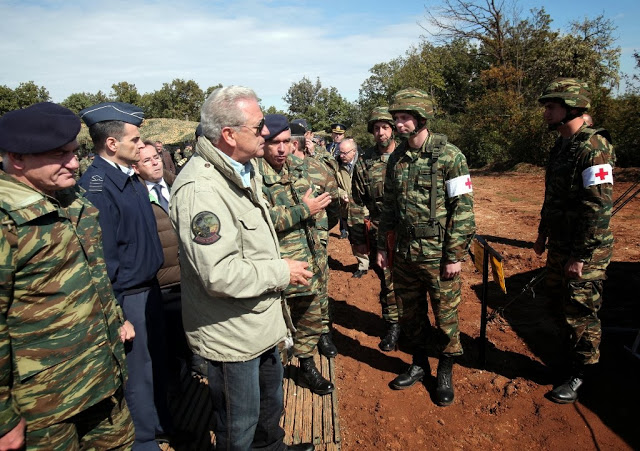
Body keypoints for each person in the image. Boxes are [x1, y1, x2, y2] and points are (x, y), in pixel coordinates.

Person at [169, 86, 314, 451]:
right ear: (229, 135)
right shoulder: (201, 189)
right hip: (232, 335)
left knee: (268, 411)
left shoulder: (239, 170)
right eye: (259, 125)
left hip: (258, 323)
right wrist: (281, 272)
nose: (266, 132)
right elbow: (219, 274)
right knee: (240, 425)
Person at [0, 102, 135, 449]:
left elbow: (94, 271)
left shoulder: (71, 199)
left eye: (75, 152)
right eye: (60, 154)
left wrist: (117, 318)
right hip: (43, 407)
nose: (74, 163)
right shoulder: (7, 221)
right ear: (17, 158)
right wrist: (4, 418)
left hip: (103, 380)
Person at [78, 102, 171, 450]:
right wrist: (118, 312)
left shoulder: (129, 177)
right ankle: (143, 439)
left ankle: (162, 424)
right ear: (113, 144)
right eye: (135, 137)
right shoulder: (98, 188)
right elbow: (104, 257)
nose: (141, 143)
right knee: (138, 374)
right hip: (128, 296)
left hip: (150, 288)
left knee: (157, 364)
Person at [377, 88, 475, 407]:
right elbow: (389, 205)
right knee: (411, 314)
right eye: (396, 118)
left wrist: (454, 255)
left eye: (404, 118)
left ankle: (445, 373)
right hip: (405, 253)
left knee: (446, 318)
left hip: (438, 254)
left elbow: (463, 208)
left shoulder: (450, 155)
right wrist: (383, 245)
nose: (398, 123)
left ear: (421, 119)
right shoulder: (396, 157)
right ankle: (420, 364)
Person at [534, 78, 615, 404]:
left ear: (572, 108)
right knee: (558, 304)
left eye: (551, 107)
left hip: (586, 250)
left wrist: (580, 256)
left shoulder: (594, 149)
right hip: (560, 244)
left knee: (581, 311)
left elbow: (599, 208)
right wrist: (542, 232)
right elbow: (552, 197)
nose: (546, 113)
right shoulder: (561, 146)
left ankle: (582, 373)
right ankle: (567, 362)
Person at [257, 115, 334, 395]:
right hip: (278, 265)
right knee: (276, 326)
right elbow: (264, 219)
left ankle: (306, 365)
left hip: (309, 258)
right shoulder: (254, 176)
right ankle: (273, 376)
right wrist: (304, 209)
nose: (281, 149)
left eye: (286, 142)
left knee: (310, 318)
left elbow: (323, 206)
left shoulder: (299, 168)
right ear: (262, 144)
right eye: (274, 143)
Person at [349, 107, 401, 351]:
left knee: (412, 282)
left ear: (393, 129)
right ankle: (393, 325)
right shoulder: (365, 162)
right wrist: (358, 239)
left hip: (409, 231)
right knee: (387, 280)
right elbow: (357, 203)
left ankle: (411, 324)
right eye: (377, 128)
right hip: (381, 231)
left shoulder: (406, 155)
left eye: (385, 127)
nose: (381, 133)